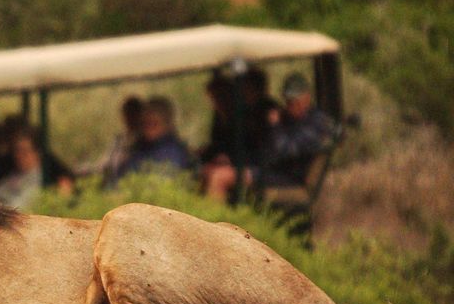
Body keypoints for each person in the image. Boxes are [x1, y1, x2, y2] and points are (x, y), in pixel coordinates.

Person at [201, 66, 281, 202]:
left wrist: (232, 161)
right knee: (206, 171)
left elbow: (267, 148)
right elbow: (226, 142)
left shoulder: (268, 111)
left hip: (266, 169)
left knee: (219, 177)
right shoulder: (236, 112)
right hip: (244, 163)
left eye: (247, 88)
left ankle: (212, 219)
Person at [259, 73, 335, 189]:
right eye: (288, 101)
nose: (291, 106)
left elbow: (285, 150)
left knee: (228, 175)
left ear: (307, 98)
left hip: (291, 177)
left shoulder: (316, 124)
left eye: (294, 101)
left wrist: (275, 126)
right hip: (277, 169)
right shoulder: (291, 119)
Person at [110, 96, 191, 183]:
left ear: (167, 124)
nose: (148, 128)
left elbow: (160, 184)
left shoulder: (173, 151)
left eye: (154, 123)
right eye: (145, 123)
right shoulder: (138, 147)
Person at [75, 96, 144, 187]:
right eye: (127, 113)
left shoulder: (144, 141)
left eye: (133, 113)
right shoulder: (119, 140)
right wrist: (87, 170)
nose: (129, 118)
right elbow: (105, 164)